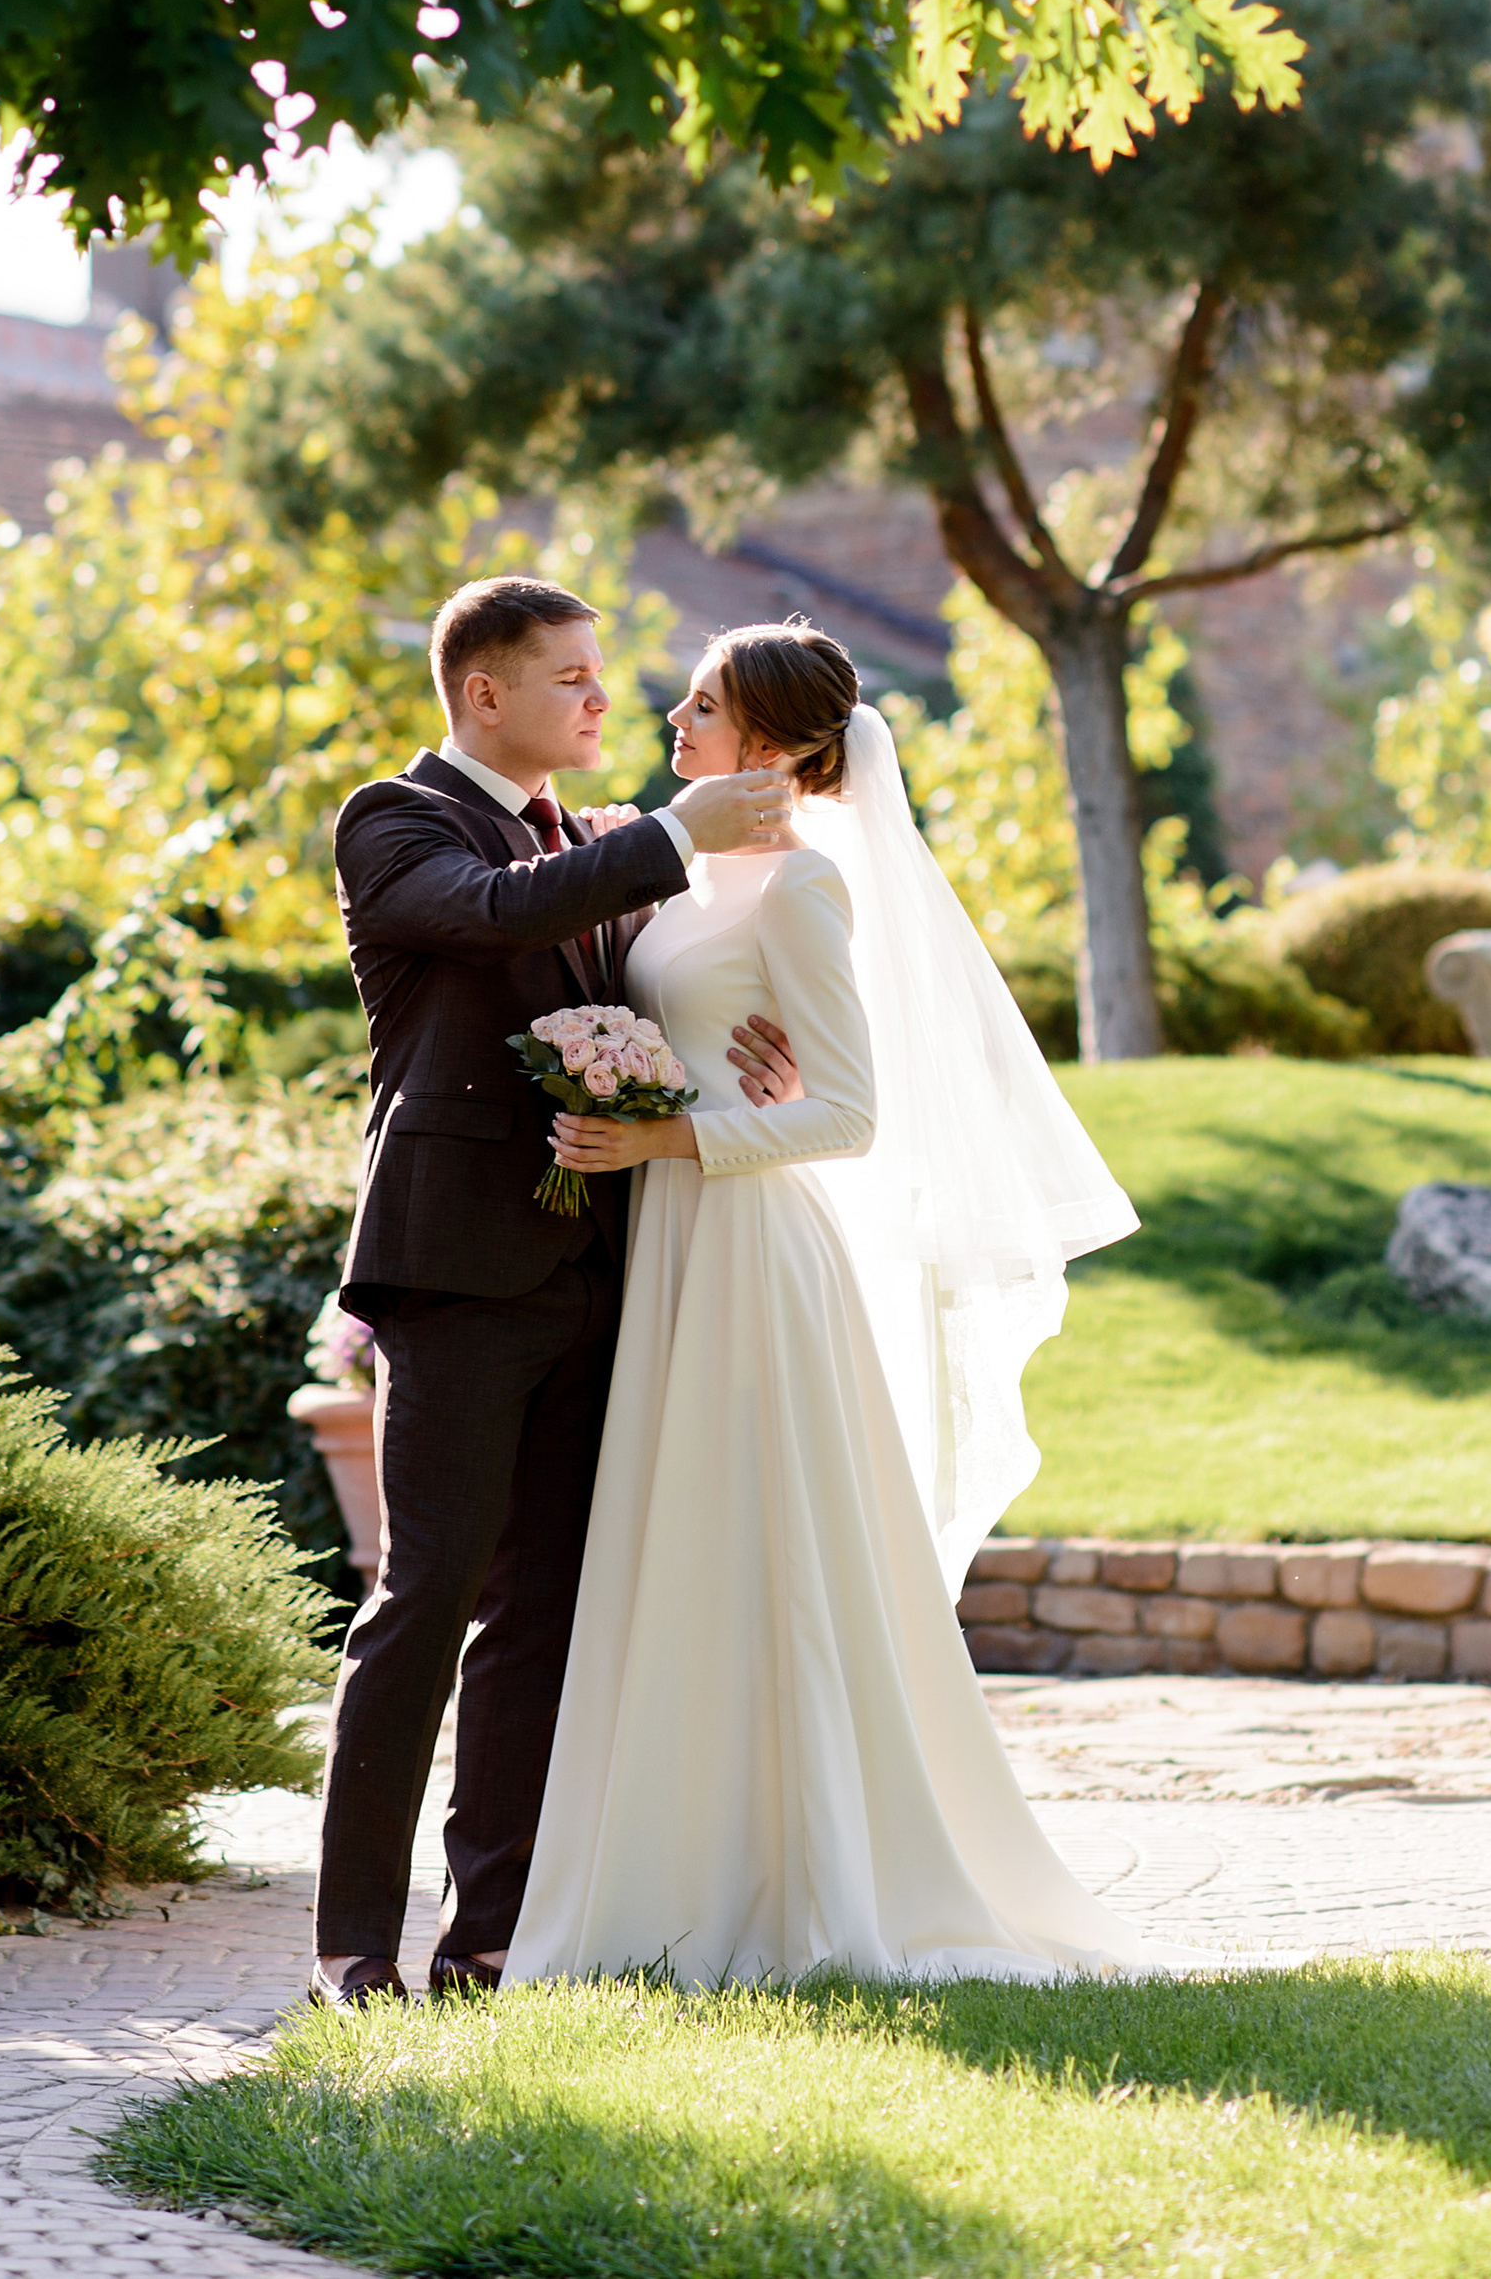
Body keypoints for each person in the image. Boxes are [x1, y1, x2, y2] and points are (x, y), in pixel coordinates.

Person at [505, 619, 1146, 1987]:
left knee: (763, 1555)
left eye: (705, 708)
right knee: (679, 1553)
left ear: (784, 749)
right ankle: (672, 1872)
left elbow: (850, 1114)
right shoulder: (679, 874)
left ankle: (814, 1884)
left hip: (748, 1254)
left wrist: (669, 1138)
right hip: (672, 1246)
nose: (675, 722)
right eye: (680, 701)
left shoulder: (800, 889)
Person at [315, 575, 799, 2008]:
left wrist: (743, 1070)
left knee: (545, 1619)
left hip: (606, 1268)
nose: (604, 700)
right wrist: (671, 834)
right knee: (424, 1599)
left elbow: (637, 1011)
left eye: (604, 677)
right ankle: (354, 1950)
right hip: (457, 1280)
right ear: (485, 693)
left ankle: (491, 1943)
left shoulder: (590, 845)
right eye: (575, 677)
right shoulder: (395, 823)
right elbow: (484, 917)